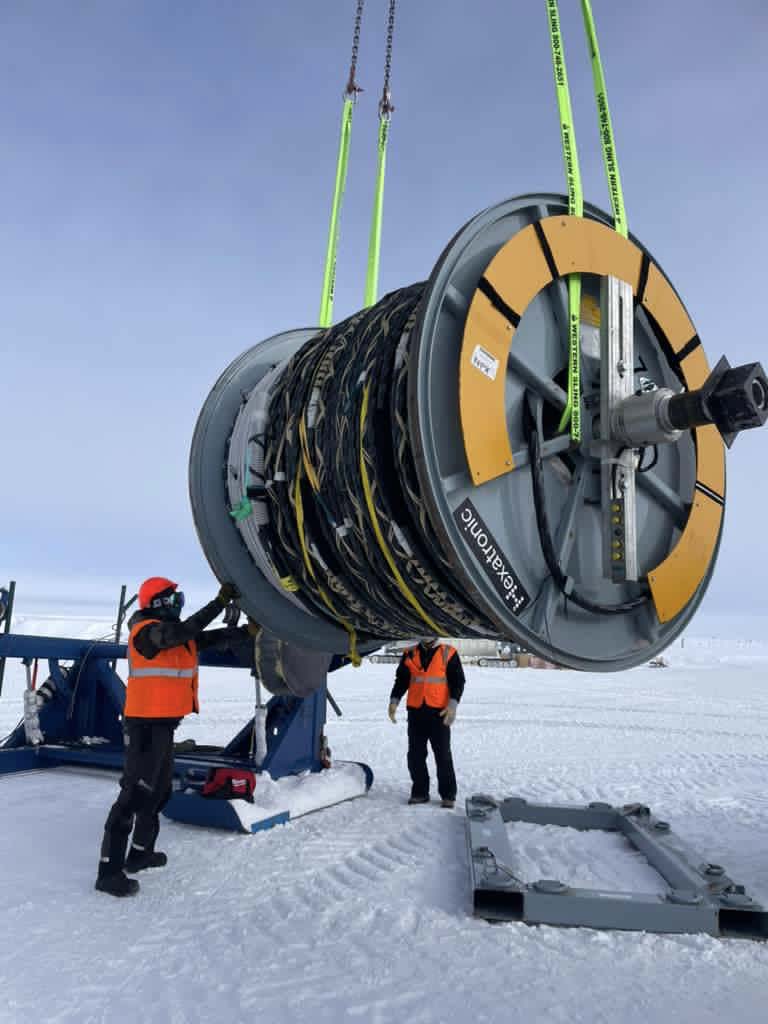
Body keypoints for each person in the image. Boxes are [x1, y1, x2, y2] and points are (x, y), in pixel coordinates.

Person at [95, 576, 244, 897]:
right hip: (144, 727)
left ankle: (140, 854)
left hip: (163, 726)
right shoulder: (146, 632)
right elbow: (182, 633)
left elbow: (205, 638)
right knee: (134, 795)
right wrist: (218, 603)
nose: (179, 603)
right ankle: (108, 872)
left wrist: (247, 631)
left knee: (159, 793)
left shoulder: (175, 635)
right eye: (175, 598)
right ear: (159, 602)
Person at [387, 636, 465, 808]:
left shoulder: (448, 652)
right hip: (416, 711)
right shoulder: (410, 653)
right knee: (415, 755)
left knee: (442, 754)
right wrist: (394, 701)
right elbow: (402, 680)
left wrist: (452, 705)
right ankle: (420, 792)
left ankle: (448, 795)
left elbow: (458, 681)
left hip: (440, 712)